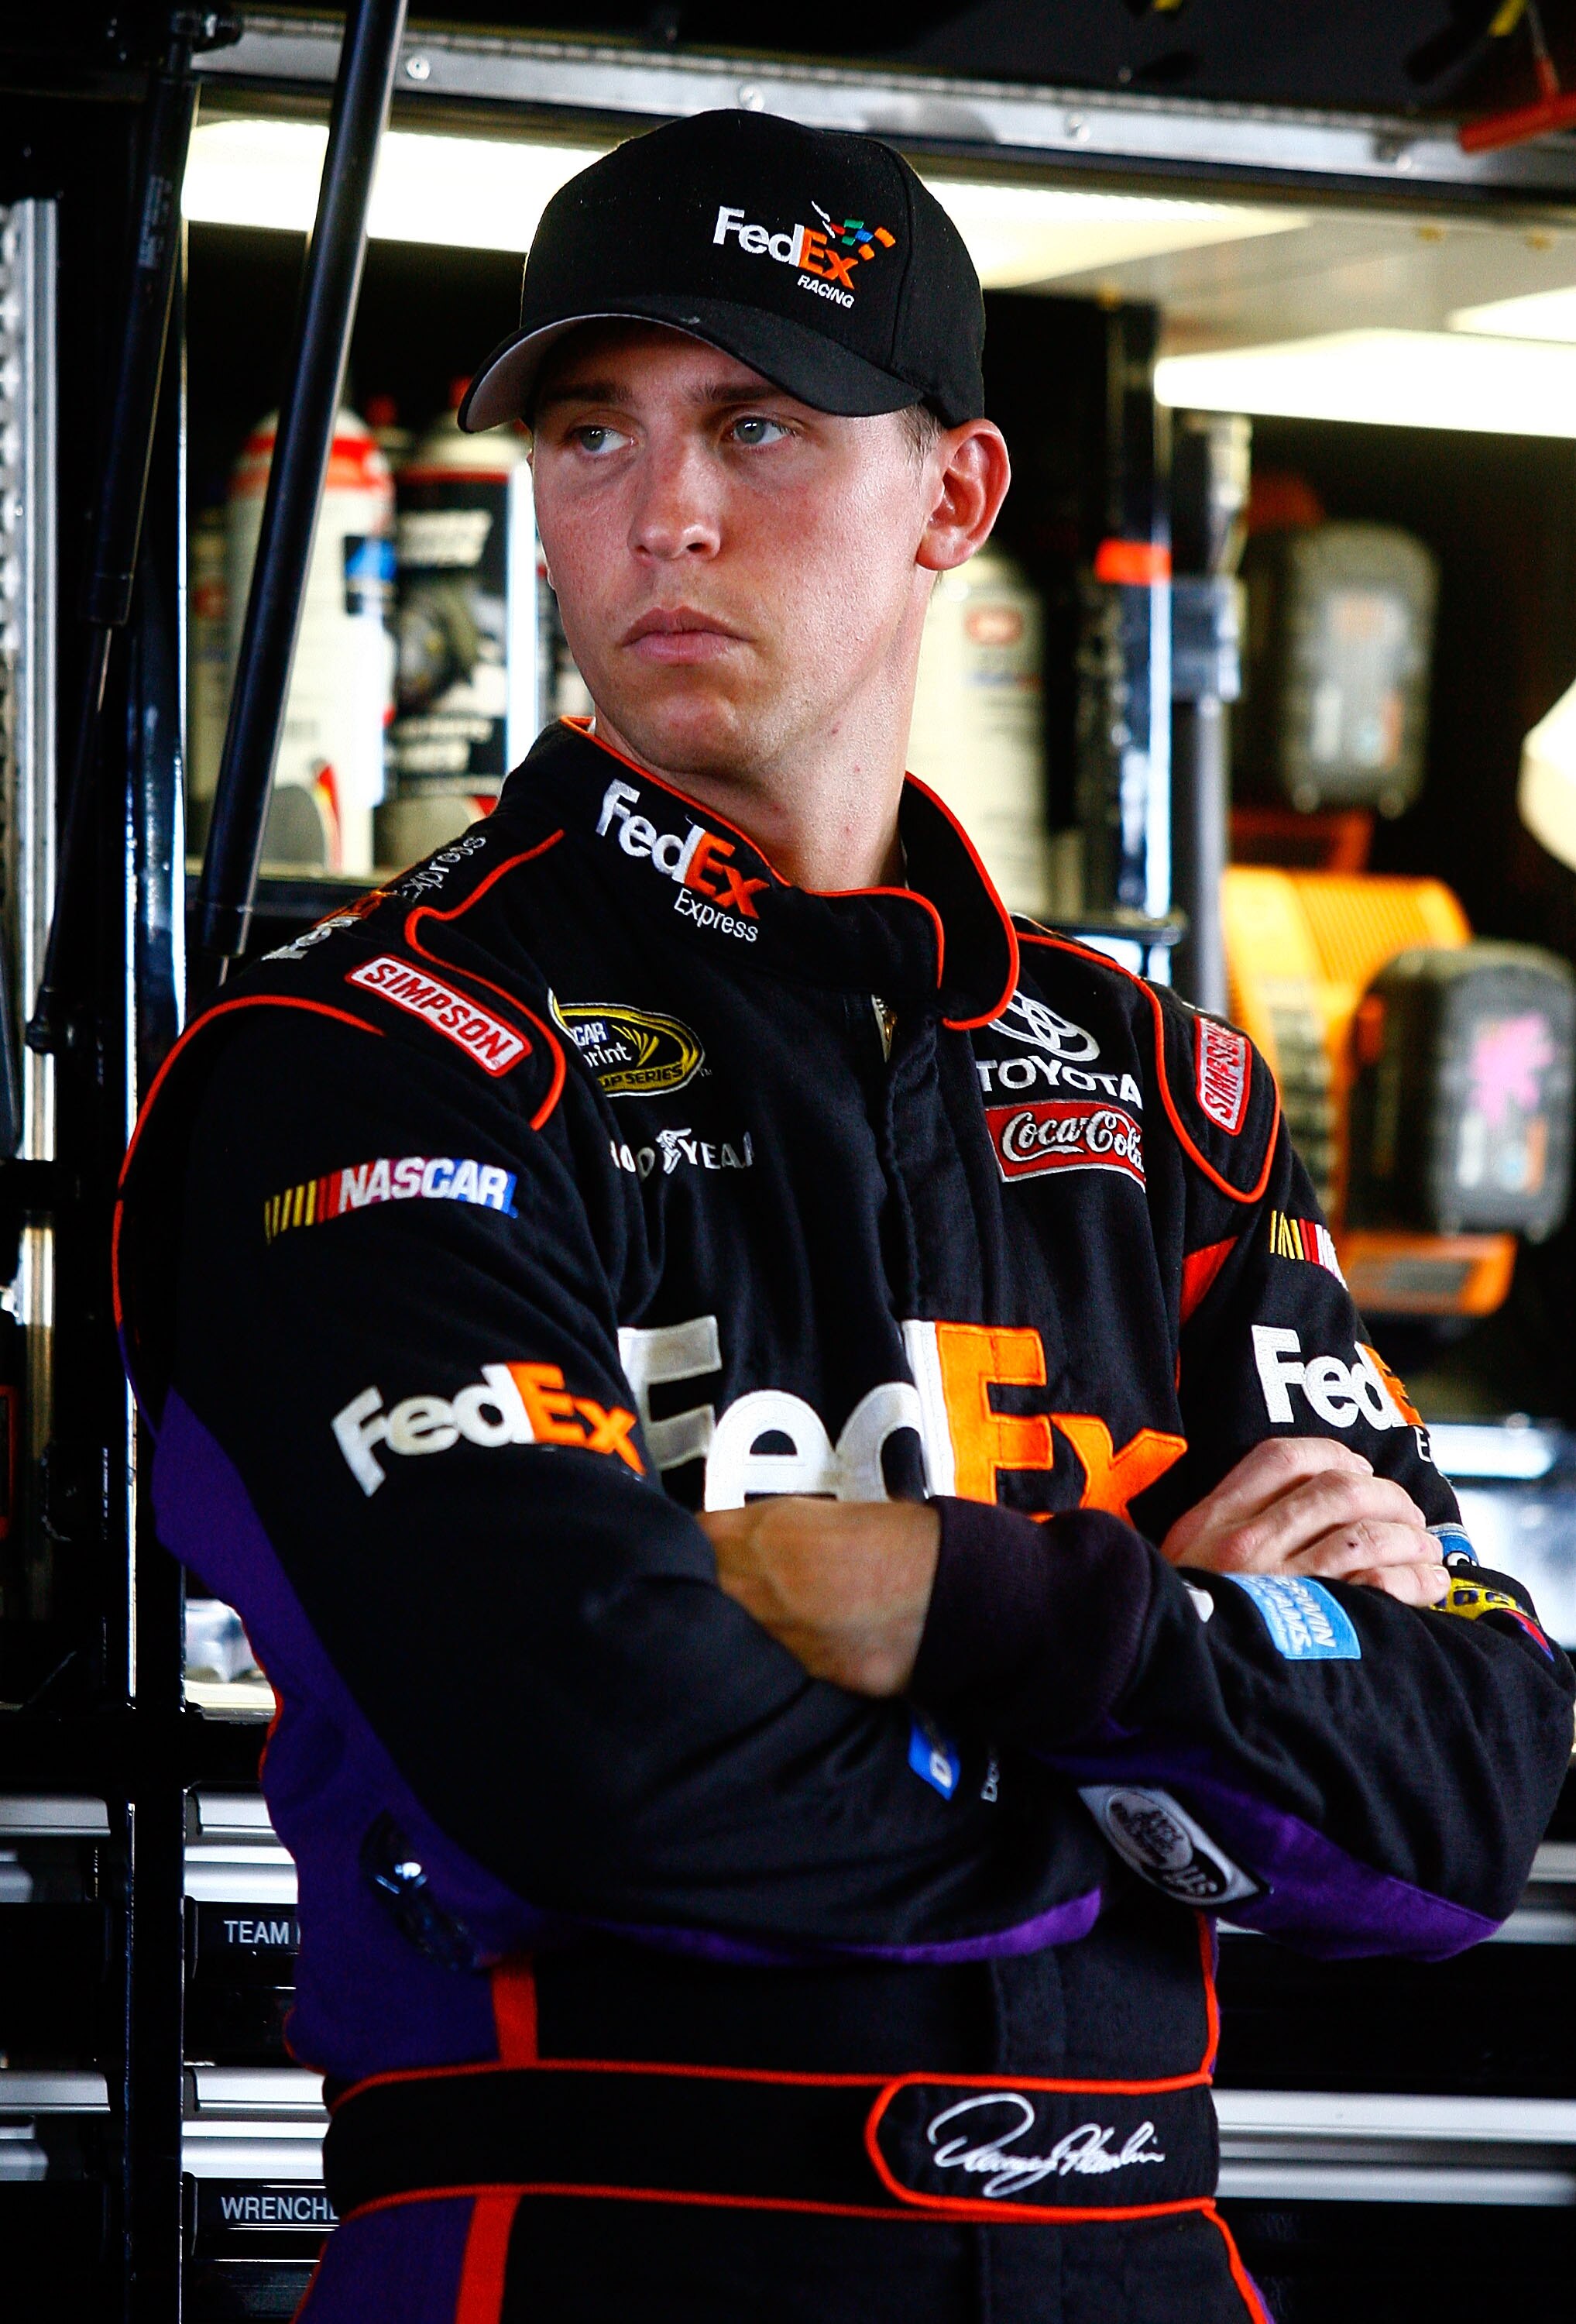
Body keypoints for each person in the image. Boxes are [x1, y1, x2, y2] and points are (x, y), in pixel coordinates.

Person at [116, 109, 1573, 2324]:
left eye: (761, 423)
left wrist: (971, 1602)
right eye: (591, 433)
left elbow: (1463, 1787)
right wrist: (1175, 1697)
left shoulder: (1153, 1084)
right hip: (596, 2257)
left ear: (955, 498)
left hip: (1144, 2271)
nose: (661, 511)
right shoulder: (370, 1052)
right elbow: (587, 1766)